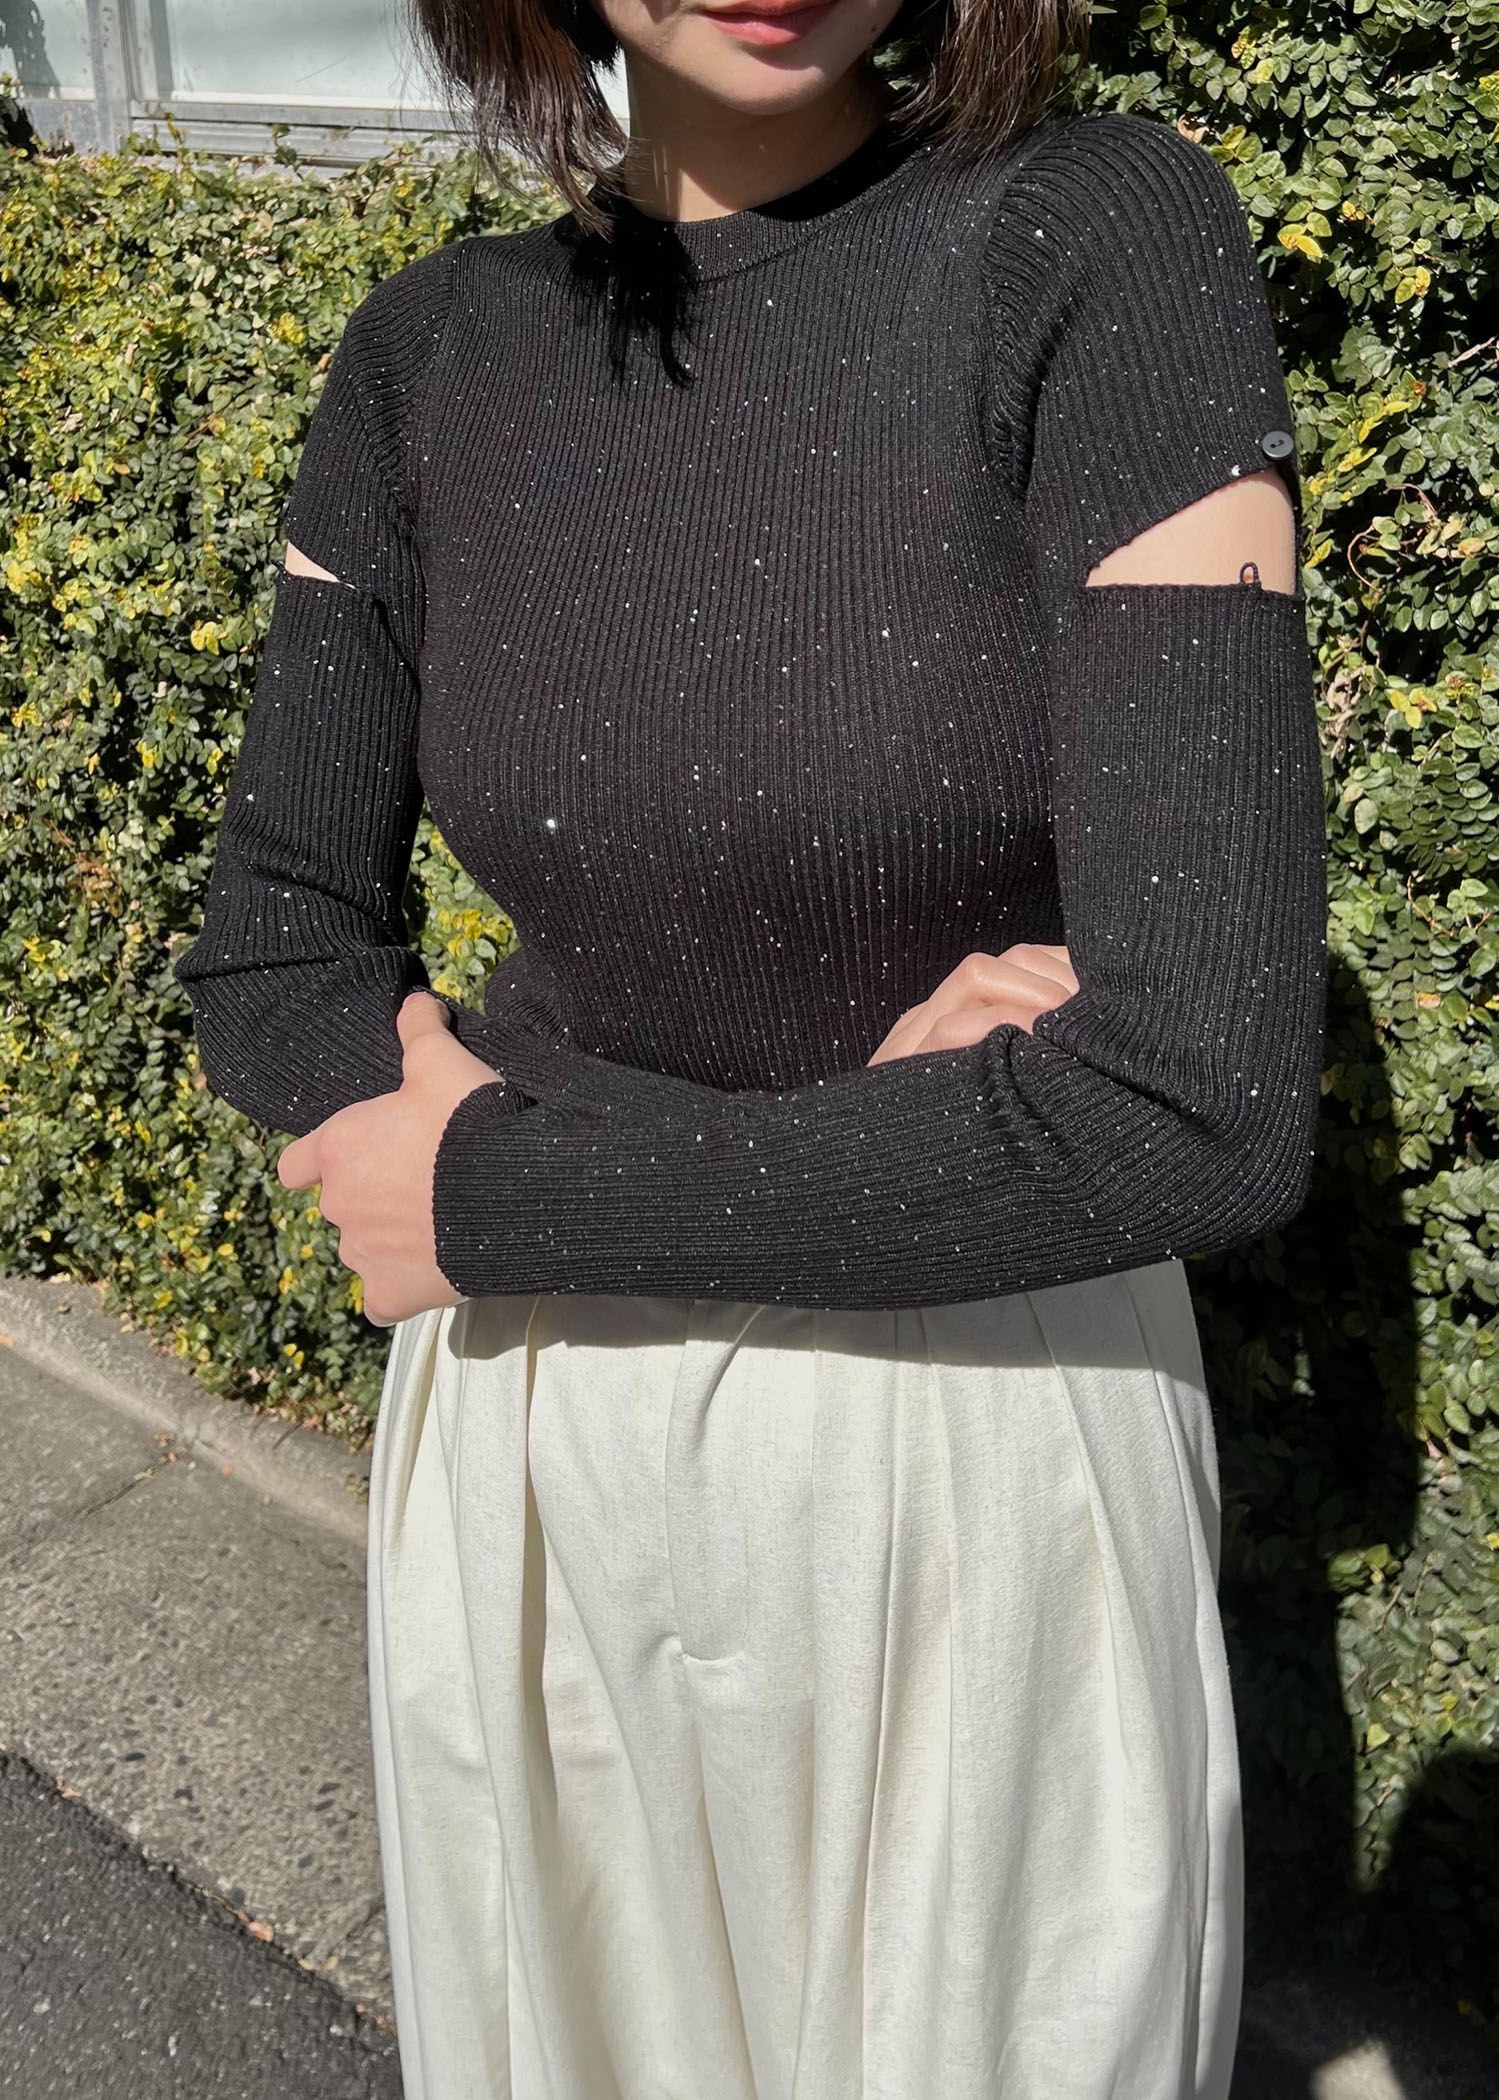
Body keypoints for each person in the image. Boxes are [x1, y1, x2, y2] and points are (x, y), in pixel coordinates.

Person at [172, 0, 1329, 2087]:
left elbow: (1196, 1105)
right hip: (547, 1456)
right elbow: (272, 949)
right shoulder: (429, 354)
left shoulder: (1096, 238)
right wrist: (844, 1131)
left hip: (972, 1432)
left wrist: (501, 1186)